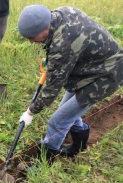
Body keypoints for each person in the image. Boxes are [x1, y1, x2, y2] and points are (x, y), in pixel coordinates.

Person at [17, 5, 123, 167]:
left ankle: (44, 163)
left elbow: (51, 90)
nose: (31, 41)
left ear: (45, 27)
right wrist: (52, 59)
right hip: (90, 67)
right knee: (66, 111)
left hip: (106, 75)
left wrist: (30, 112)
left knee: (57, 121)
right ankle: (77, 146)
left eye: (32, 37)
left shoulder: (62, 45)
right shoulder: (61, 13)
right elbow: (72, 46)